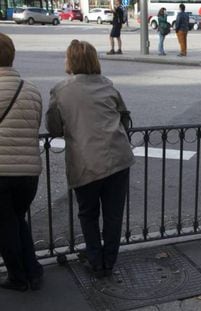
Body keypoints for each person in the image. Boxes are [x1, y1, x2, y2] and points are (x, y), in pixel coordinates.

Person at [46, 39, 135, 278]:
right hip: (118, 158)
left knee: (88, 214)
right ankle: (109, 261)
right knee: (113, 215)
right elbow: (124, 115)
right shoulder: (107, 85)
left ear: (71, 61)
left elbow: (53, 127)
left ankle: (96, 261)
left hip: (86, 162)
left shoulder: (61, 91)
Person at [0, 33, 43, 291]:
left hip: (2, 172)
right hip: (29, 173)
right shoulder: (31, 89)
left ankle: (18, 277)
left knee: (5, 227)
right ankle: (34, 271)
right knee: (17, 219)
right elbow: (36, 125)